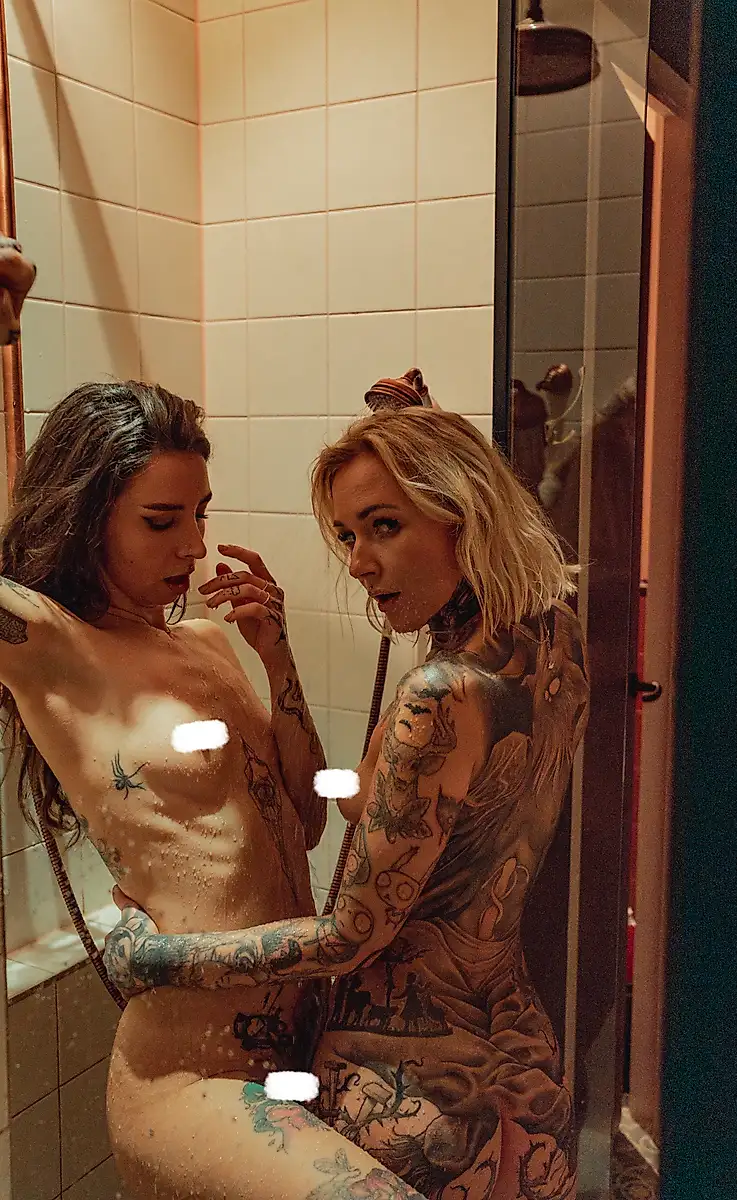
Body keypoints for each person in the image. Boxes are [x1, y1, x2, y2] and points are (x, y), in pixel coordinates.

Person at [105, 376, 591, 1200]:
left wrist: (153, 958)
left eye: (384, 527)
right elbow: (367, 797)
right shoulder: (555, 638)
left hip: (407, 1098)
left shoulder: (438, 695)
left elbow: (349, 937)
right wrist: (278, 657)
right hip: (527, 1079)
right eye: (347, 535)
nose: (360, 564)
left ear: (462, 512)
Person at [0, 332, 430, 1194]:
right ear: (86, 517)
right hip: (191, 1075)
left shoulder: (207, 642)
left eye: (200, 514)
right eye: (161, 521)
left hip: (297, 1055)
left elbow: (306, 820)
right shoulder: (57, 648)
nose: (194, 547)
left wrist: (277, 656)